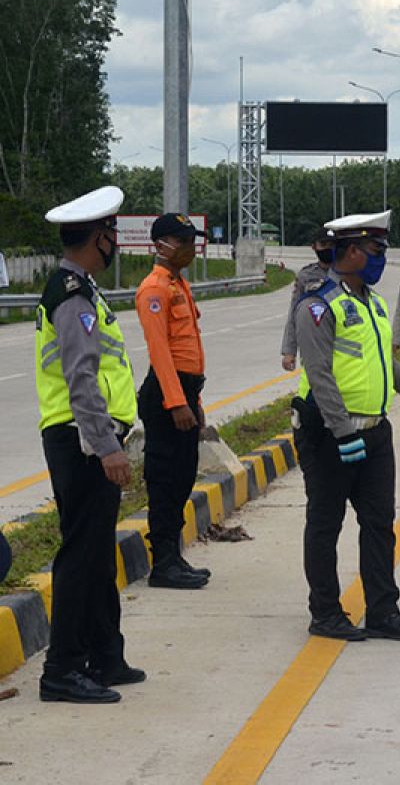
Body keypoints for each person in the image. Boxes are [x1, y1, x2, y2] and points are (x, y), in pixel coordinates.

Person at [293, 209, 400, 642]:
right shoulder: (319, 305)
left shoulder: (373, 305)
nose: (381, 257)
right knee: (325, 524)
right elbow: (319, 376)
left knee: (379, 525)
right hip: (329, 435)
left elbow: (389, 369)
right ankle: (325, 612)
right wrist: (342, 433)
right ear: (353, 251)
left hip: (376, 433)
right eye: (377, 249)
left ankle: (383, 610)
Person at [37, 186, 142, 703]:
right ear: (99, 239)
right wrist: (107, 446)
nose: (115, 242)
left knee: (99, 551)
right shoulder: (73, 294)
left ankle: (105, 656)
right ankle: (62, 669)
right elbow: (81, 379)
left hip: (86, 437)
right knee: (82, 554)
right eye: (113, 234)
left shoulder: (81, 289)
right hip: (79, 440)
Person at [135, 214, 211, 589]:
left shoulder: (180, 284)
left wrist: (193, 400)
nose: (189, 249)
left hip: (185, 391)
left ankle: (173, 555)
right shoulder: (154, 289)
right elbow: (160, 351)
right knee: (165, 478)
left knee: (183, 476)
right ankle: (162, 562)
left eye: (191, 242)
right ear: (162, 245)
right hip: (167, 395)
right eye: (182, 242)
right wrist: (175, 401)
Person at [282, 230, 335, 372]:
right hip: (313, 342)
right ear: (314, 247)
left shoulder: (346, 273)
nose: (328, 249)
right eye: (323, 244)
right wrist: (289, 351)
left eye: (332, 244)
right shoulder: (306, 275)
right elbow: (294, 313)